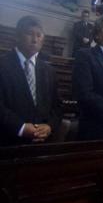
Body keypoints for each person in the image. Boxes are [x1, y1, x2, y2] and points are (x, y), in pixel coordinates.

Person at [0, 16, 61, 145]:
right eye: (29, 34)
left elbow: (57, 107)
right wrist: (21, 127)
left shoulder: (49, 71)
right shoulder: (3, 65)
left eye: (39, 35)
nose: (35, 40)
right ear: (17, 36)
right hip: (8, 141)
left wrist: (49, 126)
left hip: (41, 143)